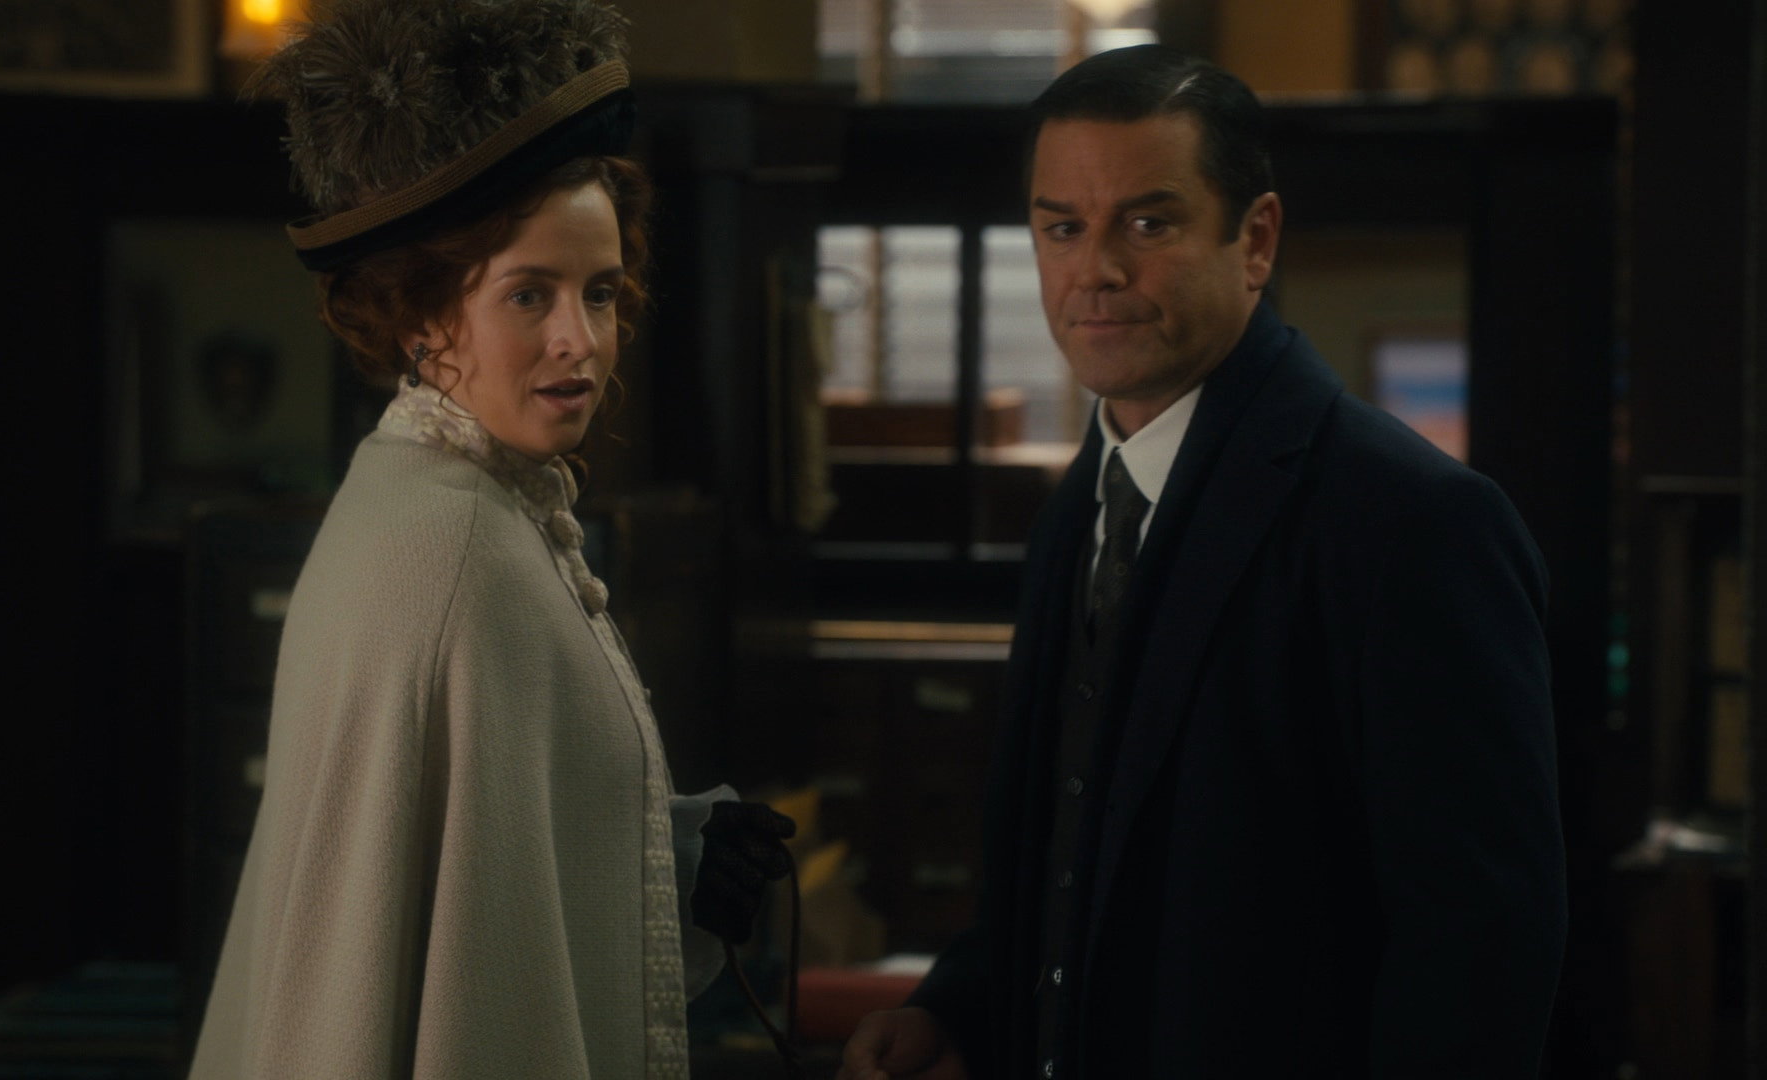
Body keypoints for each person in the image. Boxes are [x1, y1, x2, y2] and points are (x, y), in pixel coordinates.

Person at [840, 45, 1566, 1080]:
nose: (1097, 271)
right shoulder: (1081, 507)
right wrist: (959, 1009)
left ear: (1255, 239)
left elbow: (1478, 950)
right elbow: (1070, 858)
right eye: (1062, 228)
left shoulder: (1415, 521)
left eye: (1148, 224)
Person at [188, 2, 792, 1077]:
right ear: (423, 316)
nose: (580, 340)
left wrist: (674, 865)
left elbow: (491, 881)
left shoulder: (440, 492)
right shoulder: (455, 548)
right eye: (529, 295)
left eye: (600, 293)